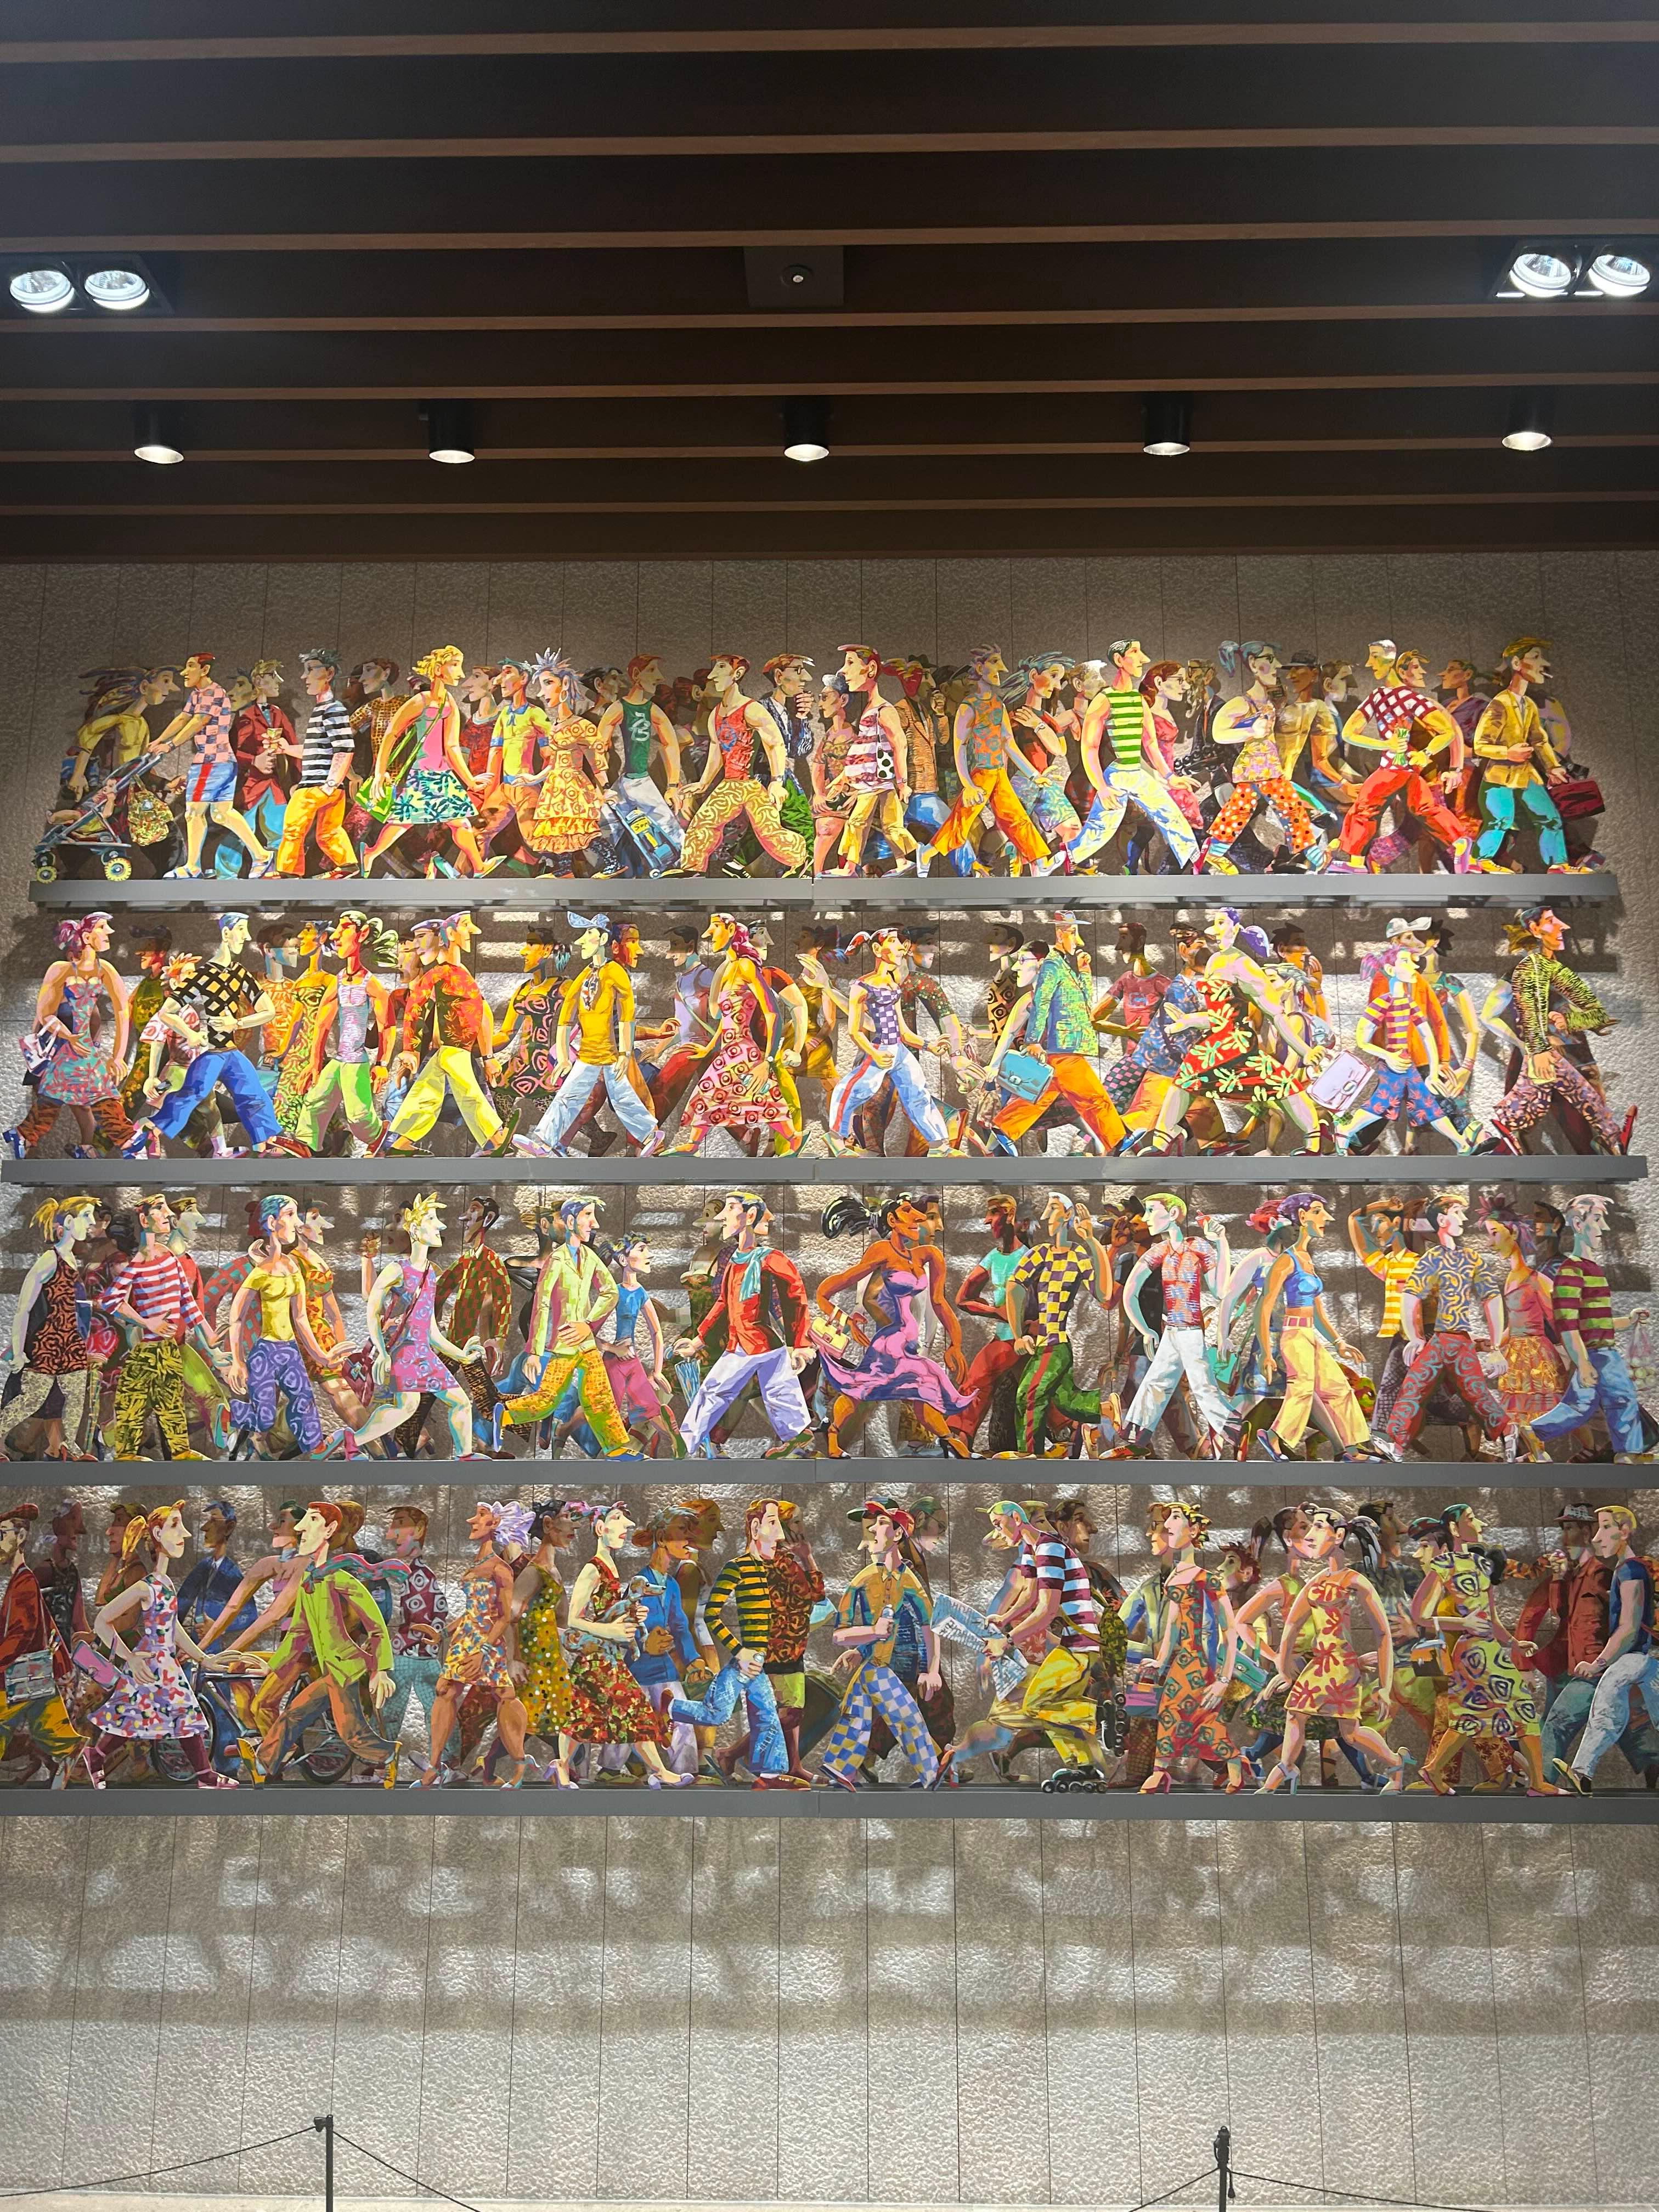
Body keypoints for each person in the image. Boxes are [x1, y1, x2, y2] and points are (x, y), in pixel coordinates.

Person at [224, 1499, 396, 1785]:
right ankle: (264, 1765)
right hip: (330, 1670)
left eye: (313, 1522)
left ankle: (388, 1755)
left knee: (352, 1735)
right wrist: (272, 1667)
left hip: (347, 1670)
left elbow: (376, 1625)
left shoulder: (339, 1578)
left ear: (330, 1530)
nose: (302, 1529)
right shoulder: (308, 1581)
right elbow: (298, 1633)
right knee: (293, 1715)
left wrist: (381, 1670)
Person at [937, 1500, 1105, 1786]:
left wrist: (1007, 1640)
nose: (997, 1533)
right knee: (1048, 1708)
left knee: (1038, 1704)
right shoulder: (1031, 1549)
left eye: (998, 1524)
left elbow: (1047, 1610)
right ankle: (1084, 1766)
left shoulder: (1049, 1549)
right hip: (1067, 1645)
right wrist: (1004, 1618)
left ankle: (1099, 1714)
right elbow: (1029, 1594)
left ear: (1016, 1517)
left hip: (1079, 1646)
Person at [84, 1501, 251, 1787]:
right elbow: (102, 1621)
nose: (185, 1534)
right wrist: (130, 1658)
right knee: (148, 1714)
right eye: (176, 1526)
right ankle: (203, 1776)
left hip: (165, 1662)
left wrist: (204, 1658)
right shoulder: (146, 1586)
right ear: (158, 1534)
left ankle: (97, 1756)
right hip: (150, 1663)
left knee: (157, 1715)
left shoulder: (166, 1585)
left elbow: (172, 1628)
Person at [1409, 1503, 1556, 1795]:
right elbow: (1419, 1615)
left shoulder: (1482, 1564)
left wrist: (1513, 1643)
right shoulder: (1444, 1565)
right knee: (1522, 1709)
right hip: (1472, 1654)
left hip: (1490, 1650)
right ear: (1455, 1528)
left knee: (1469, 1717)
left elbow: (1492, 1619)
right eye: (1471, 1519)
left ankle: (1434, 1769)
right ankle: (1538, 1783)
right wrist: (1462, 1622)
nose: (1480, 1524)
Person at [1257, 1506, 1408, 1791]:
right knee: (1295, 1713)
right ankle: (1287, 1768)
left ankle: (1395, 1762)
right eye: (1310, 1527)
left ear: (1338, 1536)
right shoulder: (1316, 1583)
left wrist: (1385, 1686)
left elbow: (1383, 1634)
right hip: (1319, 1664)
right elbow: (1291, 1628)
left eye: (1319, 1527)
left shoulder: (1354, 1581)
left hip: (1342, 1667)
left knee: (1350, 1734)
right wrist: (1284, 1669)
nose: (1311, 1535)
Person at [813, 1194, 972, 1457]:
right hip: (890, 1343)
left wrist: (955, 1343)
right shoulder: (882, 1252)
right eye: (908, 1211)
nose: (918, 1218)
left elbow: (939, 1302)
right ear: (892, 1220)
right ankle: (949, 1441)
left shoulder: (929, 1255)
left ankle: (833, 1437)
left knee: (876, 1389)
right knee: (922, 1381)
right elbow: (825, 1292)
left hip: (908, 1341)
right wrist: (846, 1320)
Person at [346, 1192, 487, 1460]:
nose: (440, 1226)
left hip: (425, 1353)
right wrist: (382, 1353)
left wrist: (462, 1356)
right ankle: (353, 1441)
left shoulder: (430, 1273)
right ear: (414, 1229)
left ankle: (465, 1456)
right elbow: (373, 1309)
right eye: (432, 1220)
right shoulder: (397, 1270)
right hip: (406, 1352)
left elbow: (430, 1329)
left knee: (460, 1401)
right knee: (407, 1406)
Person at [674, 1190, 815, 1459]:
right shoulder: (734, 1262)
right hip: (749, 1343)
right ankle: (798, 1437)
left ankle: (686, 1442)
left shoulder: (771, 1258)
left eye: (730, 1209)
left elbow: (795, 1296)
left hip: (754, 1344)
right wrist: (697, 1342)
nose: (722, 1217)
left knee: (716, 1391)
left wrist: (800, 1344)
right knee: (777, 1391)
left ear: (749, 1216)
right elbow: (723, 1305)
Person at [1381, 1192, 1520, 1461]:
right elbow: (1410, 1294)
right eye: (1458, 1213)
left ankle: (1507, 1429)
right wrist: (1415, 1337)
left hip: (1457, 1341)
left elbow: (1492, 1298)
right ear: (1443, 1220)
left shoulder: (1471, 1258)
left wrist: (1495, 1348)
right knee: (1416, 1387)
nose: (1464, 1218)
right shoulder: (1433, 1257)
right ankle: (1397, 1445)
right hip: (1441, 1340)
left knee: (1472, 1392)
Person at [1479, 906, 1628, 1156]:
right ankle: (1610, 1137)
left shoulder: (1557, 971)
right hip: (1547, 1052)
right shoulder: (1525, 971)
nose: (1564, 926)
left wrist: (1568, 1021)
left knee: (1581, 1120)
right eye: (1551, 921)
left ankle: (1608, 1139)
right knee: (1549, 1104)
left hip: (1575, 1054)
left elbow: (1599, 1016)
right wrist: (1527, 1045)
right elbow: (1494, 1015)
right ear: (1535, 929)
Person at [669, 1497, 797, 1787]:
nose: (780, 1535)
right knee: (717, 1713)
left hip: (758, 1661)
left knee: (767, 1715)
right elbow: (711, 1615)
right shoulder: (737, 1568)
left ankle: (769, 1775)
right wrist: (740, 1652)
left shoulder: (763, 1570)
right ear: (755, 1528)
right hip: (746, 1661)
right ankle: (669, 1708)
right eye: (773, 1524)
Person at [513, 912, 660, 1158]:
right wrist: (563, 1057)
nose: (581, 941)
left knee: (621, 1098)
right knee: (569, 1097)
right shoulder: (586, 973)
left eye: (588, 934)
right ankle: (544, 1143)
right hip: (588, 1054)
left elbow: (627, 1015)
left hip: (609, 1053)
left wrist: (625, 1052)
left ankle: (651, 1136)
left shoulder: (614, 972)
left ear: (602, 939)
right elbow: (566, 1015)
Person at [817, 1502, 941, 1788]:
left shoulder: (909, 1580)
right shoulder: (863, 1579)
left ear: (898, 1535)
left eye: (881, 1523)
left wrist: (931, 1670)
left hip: (893, 1664)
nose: (872, 1529)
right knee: (889, 1708)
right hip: (878, 1662)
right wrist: (868, 1637)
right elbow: (840, 1634)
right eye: (872, 1524)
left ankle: (841, 1767)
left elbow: (930, 1626)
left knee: (864, 1708)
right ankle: (932, 1769)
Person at [565, 1502, 689, 1785]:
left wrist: (632, 1614)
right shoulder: (593, 1569)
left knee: (588, 1717)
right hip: (597, 1659)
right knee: (632, 1709)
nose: (627, 1527)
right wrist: (612, 1630)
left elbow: (607, 1610)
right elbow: (574, 1619)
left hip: (608, 1657)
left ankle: (562, 1767)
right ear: (600, 1528)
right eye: (618, 1520)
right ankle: (659, 1771)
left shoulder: (611, 1566)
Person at [983, 913, 1128, 1156]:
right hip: (1061, 1047)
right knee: (1093, 1097)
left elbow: (1085, 1004)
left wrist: (1084, 972)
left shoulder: (1066, 967)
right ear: (1061, 933)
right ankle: (1120, 1140)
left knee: (1041, 1095)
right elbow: (1041, 1002)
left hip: (1066, 1045)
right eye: (1073, 933)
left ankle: (1003, 1128)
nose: (1078, 941)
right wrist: (1032, 1041)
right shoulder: (1051, 966)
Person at [499, 1195, 634, 1454]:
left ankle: (617, 1449)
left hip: (585, 1343)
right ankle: (504, 1414)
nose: (595, 1224)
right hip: (564, 1344)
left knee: (600, 1396)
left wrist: (588, 1323)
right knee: (547, 1399)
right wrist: (534, 1352)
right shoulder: (556, 1260)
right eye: (588, 1216)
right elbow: (541, 1304)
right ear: (571, 1222)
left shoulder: (589, 1257)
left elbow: (610, 1292)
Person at [1328, 640, 1475, 872]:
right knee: (1424, 808)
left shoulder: (1401, 698)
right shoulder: (1391, 697)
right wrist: (1390, 745)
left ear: (1392, 662)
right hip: (1406, 769)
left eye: (1375, 657)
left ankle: (1355, 863)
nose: (1369, 663)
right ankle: (1460, 842)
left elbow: (1448, 732)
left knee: (1366, 806)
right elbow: (1349, 733)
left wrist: (1427, 754)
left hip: (1394, 768)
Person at [1525, 1194, 1651, 1463]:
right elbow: (1567, 1324)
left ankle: (1533, 1432)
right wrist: (1582, 1362)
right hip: (1597, 1353)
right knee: (1622, 1398)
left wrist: (1628, 1320)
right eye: (1597, 1219)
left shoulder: (1592, 1270)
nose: (1604, 1227)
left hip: (1600, 1350)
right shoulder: (1571, 1272)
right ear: (1578, 1225)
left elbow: (1596, 1323)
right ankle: (1628, 1453)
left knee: (1581, 1406)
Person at [1251, 1193, 1373, 1462]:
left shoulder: (1307, 1259)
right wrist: (1266, 1353)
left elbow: (1317, 1311)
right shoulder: (1287, 1260)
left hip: (1309, 1334)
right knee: (1302, 1387)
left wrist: (1339, 1342)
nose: (1326, 1218)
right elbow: (1265, 1306)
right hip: (1294, 1335)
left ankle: (1352, 1450)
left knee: (1339, 1388)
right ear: (1303, 1216)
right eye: (1318, 1211)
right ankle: (1274, 1437)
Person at [913, 645, 1054, 877]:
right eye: (994, 663)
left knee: (1016, 817)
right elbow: (960, 747)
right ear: (980, 669)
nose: (1002, 669)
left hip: (998, 773)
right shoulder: (968, 707)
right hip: (981, 774)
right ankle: (927, 853)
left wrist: (1034, 775)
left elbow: (1009, 743)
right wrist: (968, 785)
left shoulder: (999, 705)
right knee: (962, 820)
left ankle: (1040, 861)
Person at [420, 1499, 532, 1788]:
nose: (472, 1521)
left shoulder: (501, 1569)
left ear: (495, 1523)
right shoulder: (477, 1563)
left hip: (487, 1641)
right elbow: (472, 1610)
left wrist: (484, 1651)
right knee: (445, 1690)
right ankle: (434, 1765)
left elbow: (504, 1616)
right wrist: (443, 1634)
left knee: (505, 1695)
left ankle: (520, 1764)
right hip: (465, 1637)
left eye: (480, 1515)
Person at [379, 911, 509, 1157]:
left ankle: (401, 1144)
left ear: (442, 936)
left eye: (421, 936)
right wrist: (409, 1050)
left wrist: (489, 1057)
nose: (416, 944)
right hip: (452, 1049)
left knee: (425, 1096)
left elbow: (482, 1015)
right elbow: (415, 1010)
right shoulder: (437, 975)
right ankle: (496, 1138)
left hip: (453, 1051)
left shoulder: (461, 975)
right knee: (470, 1094)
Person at [1140, 1498, 1245, 1793]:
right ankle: (1164, 1770)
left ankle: (1231, 1762)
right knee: (1178, 1714)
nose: (1168, 1525)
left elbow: (1230, 1629)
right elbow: (1173, 1624)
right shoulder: (1175, 1578)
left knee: (1192, 1717)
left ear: (1194, 1529)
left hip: (1203, 1664)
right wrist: (1161, 1660)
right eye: (1167, 1520)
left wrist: (1223, 1679)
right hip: (1183, 1661)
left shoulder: (1207, 1580)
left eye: (1175, 1518)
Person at [7, 913, 132, 1159]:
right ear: (85, 938)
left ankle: (26, 1135)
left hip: (81, 1049)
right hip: (59, 1049)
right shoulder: (60, 972)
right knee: (79, 1097)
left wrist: (116, 1055)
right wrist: (46, 1046)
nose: (110, 932)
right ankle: (127, 1142)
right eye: (103, 927)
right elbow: (43, 1016)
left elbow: (119, 1012)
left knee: (81, 1098)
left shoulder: (104, 970)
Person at [1117, 1192, 1233, 1455]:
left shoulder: (1199, 1246)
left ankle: (1235, 1430)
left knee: (1202, 1386)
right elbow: (1130, 1293)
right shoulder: (1159, 1251)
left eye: (1151, 1211)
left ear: (1172, 1214)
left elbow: (1220, 1290)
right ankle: (1135, 1439)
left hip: (1190, 1331)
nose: (1146, 1218)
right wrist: (1145, 1330)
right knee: (1156, 1382)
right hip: (1171, 1331)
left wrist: (1222, 1243)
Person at [1553, 1508, 1659, 1793]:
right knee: (1612, 1713)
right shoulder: (1627, 1570)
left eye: (1606, 1528)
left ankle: (1581, 1772)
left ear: (1624, 1532)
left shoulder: (1631, 1570)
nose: (1597, 1538)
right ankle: (1582, 1774)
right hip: (1642, 1660)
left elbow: (1629, 1628)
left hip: (1637, 1658)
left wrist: (1598, 1664)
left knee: (1606, 1709)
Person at [1069, 638, 1199, 871]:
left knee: (1168, 813)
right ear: (1119, 660)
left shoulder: (1139, 701)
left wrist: (1170, 777)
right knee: (1102, 828)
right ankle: (1068, 857)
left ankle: (1193, 857)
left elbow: (1150, 743)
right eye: (1135, 652)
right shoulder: (1104, 700)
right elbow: (1089, 747)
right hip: (1117, 775)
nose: (1143, 659)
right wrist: (1101, 787)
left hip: (1136, 773)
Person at [673, 652, 808, 875]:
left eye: (721, 668)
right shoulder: (716, 714)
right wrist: (704, 783)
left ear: (738, 674)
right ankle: (692, 869)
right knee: (703, 824)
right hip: (729, 786)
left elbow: (775, 743)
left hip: (750, 785)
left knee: (769, 831)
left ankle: (800, 858)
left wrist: (777, 782)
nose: (713, 676)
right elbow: (717, 748)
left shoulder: (751, 708)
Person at [360, 645, 490, 876]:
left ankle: (479, 868)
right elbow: (391, 734)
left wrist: (470, 781)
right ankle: (370, 854)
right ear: (439, 669)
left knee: (459, 823)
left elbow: (451, 746)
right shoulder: (421, 700)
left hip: (443, 775)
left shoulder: (449, 702)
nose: (460, 673)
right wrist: (380, 773)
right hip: (422, 774)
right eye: (455, 666)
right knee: (403, 822)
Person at [828, 927, 956, 1155]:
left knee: (918, 1093)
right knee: (852, 1090)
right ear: (878, 949)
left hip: (898, 1050)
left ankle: (939, 1145)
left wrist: (930, 1046)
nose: (901, 948)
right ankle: (836, 1138)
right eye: (894, 942)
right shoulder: (862, 986)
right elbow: (855, 1031)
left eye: (901, 943)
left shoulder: (893, 985)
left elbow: (903, 1032)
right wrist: (875, 1054)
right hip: (880, 1049)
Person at [1194, 640, 1315, 873]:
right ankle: (1317, 859)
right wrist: (1251, 731)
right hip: (1258, 770)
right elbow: (1218, 733)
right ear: (1252, 664)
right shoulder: (1242, 703)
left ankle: (1210, 854)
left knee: (1236, 817)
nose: (1277, 665)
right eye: (1269, 659)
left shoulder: (1268, 701)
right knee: (1292, 813)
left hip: (1267, 768)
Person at [150, 651, 273, 879]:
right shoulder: (197, 694)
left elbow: (198, 722)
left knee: (194, 813)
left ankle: (193, 866)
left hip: (212, 761)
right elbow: (183, 718)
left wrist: (171, 745)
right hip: (220, 762)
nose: (184, 673)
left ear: (204, 670)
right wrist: (159, 740)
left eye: (190, 667)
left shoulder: (214, 692)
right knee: (222, 814)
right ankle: (262, 855)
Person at [3, 1193, 100, 1461]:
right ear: (68, 1222)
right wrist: (19, 1351)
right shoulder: (50, 1259)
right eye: (86, 1216)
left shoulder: (70, 1259)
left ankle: (72, 1447)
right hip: (48, 1342)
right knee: (32, 1399)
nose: (91, 1222)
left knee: (75, 1397)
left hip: (71, 1340)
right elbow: (23, 1308)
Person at [1470, 637, 1573, 873]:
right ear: (1517, 663)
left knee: (1549, 818)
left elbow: (1540, 740)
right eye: (1535, 657)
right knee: (1500, 820)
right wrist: (1508, 752)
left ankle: (1558, 865)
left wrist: (1553, 767)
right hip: (1499, 777)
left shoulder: (1529, 705)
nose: (1544, 663)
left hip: (1525, 775)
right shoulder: (1500, 703)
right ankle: (1480, 862)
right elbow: (1480, 745)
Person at [0, 1503, 82, 1780]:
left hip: (30, 1672)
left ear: (21, 1537)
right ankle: (67, 1759)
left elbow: (22, 1634)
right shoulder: (21, 1580)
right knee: (49, 1732)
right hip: (36, 1671)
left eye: (2, 1535)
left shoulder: (25, 1581)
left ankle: (69, 1759)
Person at [825, 643, 917, 874]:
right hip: (876, 781)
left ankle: (849, 869)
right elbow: (863, 749)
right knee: (891, 823)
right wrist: (844, 777)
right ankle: (904, 861)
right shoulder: (870, 709)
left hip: (874, 782)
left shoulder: (883, 710)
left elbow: (900, 744)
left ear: (871, 669)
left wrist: (903, 783)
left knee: (857, 823)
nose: (843, 671)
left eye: (850, 663)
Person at [595, 652, 684, 873]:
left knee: (669, 826)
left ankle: (686, 867)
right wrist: (604, 786)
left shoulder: (652, 710)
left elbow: (671, 743)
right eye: (651, 670)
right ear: (636, 675)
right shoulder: (619, 708)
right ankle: (613, 870)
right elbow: (598, 747)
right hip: (626, 784)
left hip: (639, 782)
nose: (660, 677)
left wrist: (673, 786)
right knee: (607, 824)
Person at [274, 647, 358, 876]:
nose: (304, 677)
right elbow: (318, 751)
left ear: (329, 673)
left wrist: (330, 784)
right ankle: (348, 866)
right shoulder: (323, 709)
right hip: (328, 786)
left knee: (293, 829)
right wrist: (286, 749)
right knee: (328, 833)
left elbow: (345, 748)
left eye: (311, 670)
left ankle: (288, 873)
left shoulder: (333, 709)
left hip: (317, 786)